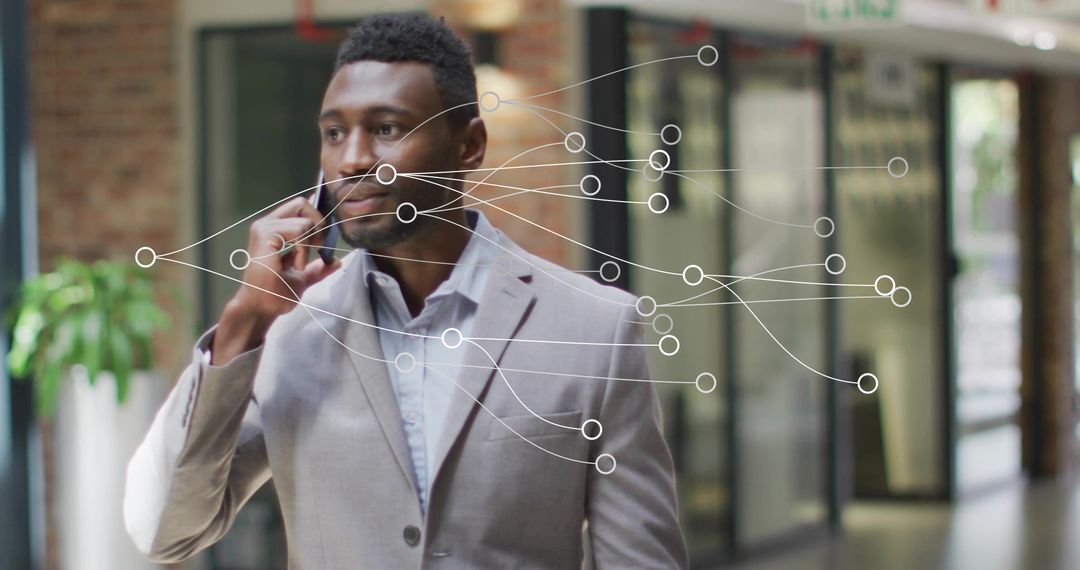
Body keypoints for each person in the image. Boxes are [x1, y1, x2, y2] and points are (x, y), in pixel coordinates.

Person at [124, 12, 687, 569]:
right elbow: (166, 531)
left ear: (468, 146)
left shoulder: (595, 328)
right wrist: (245, 322)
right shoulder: (289, 331)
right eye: (335, 133)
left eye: (387, 129)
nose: (353, 159)